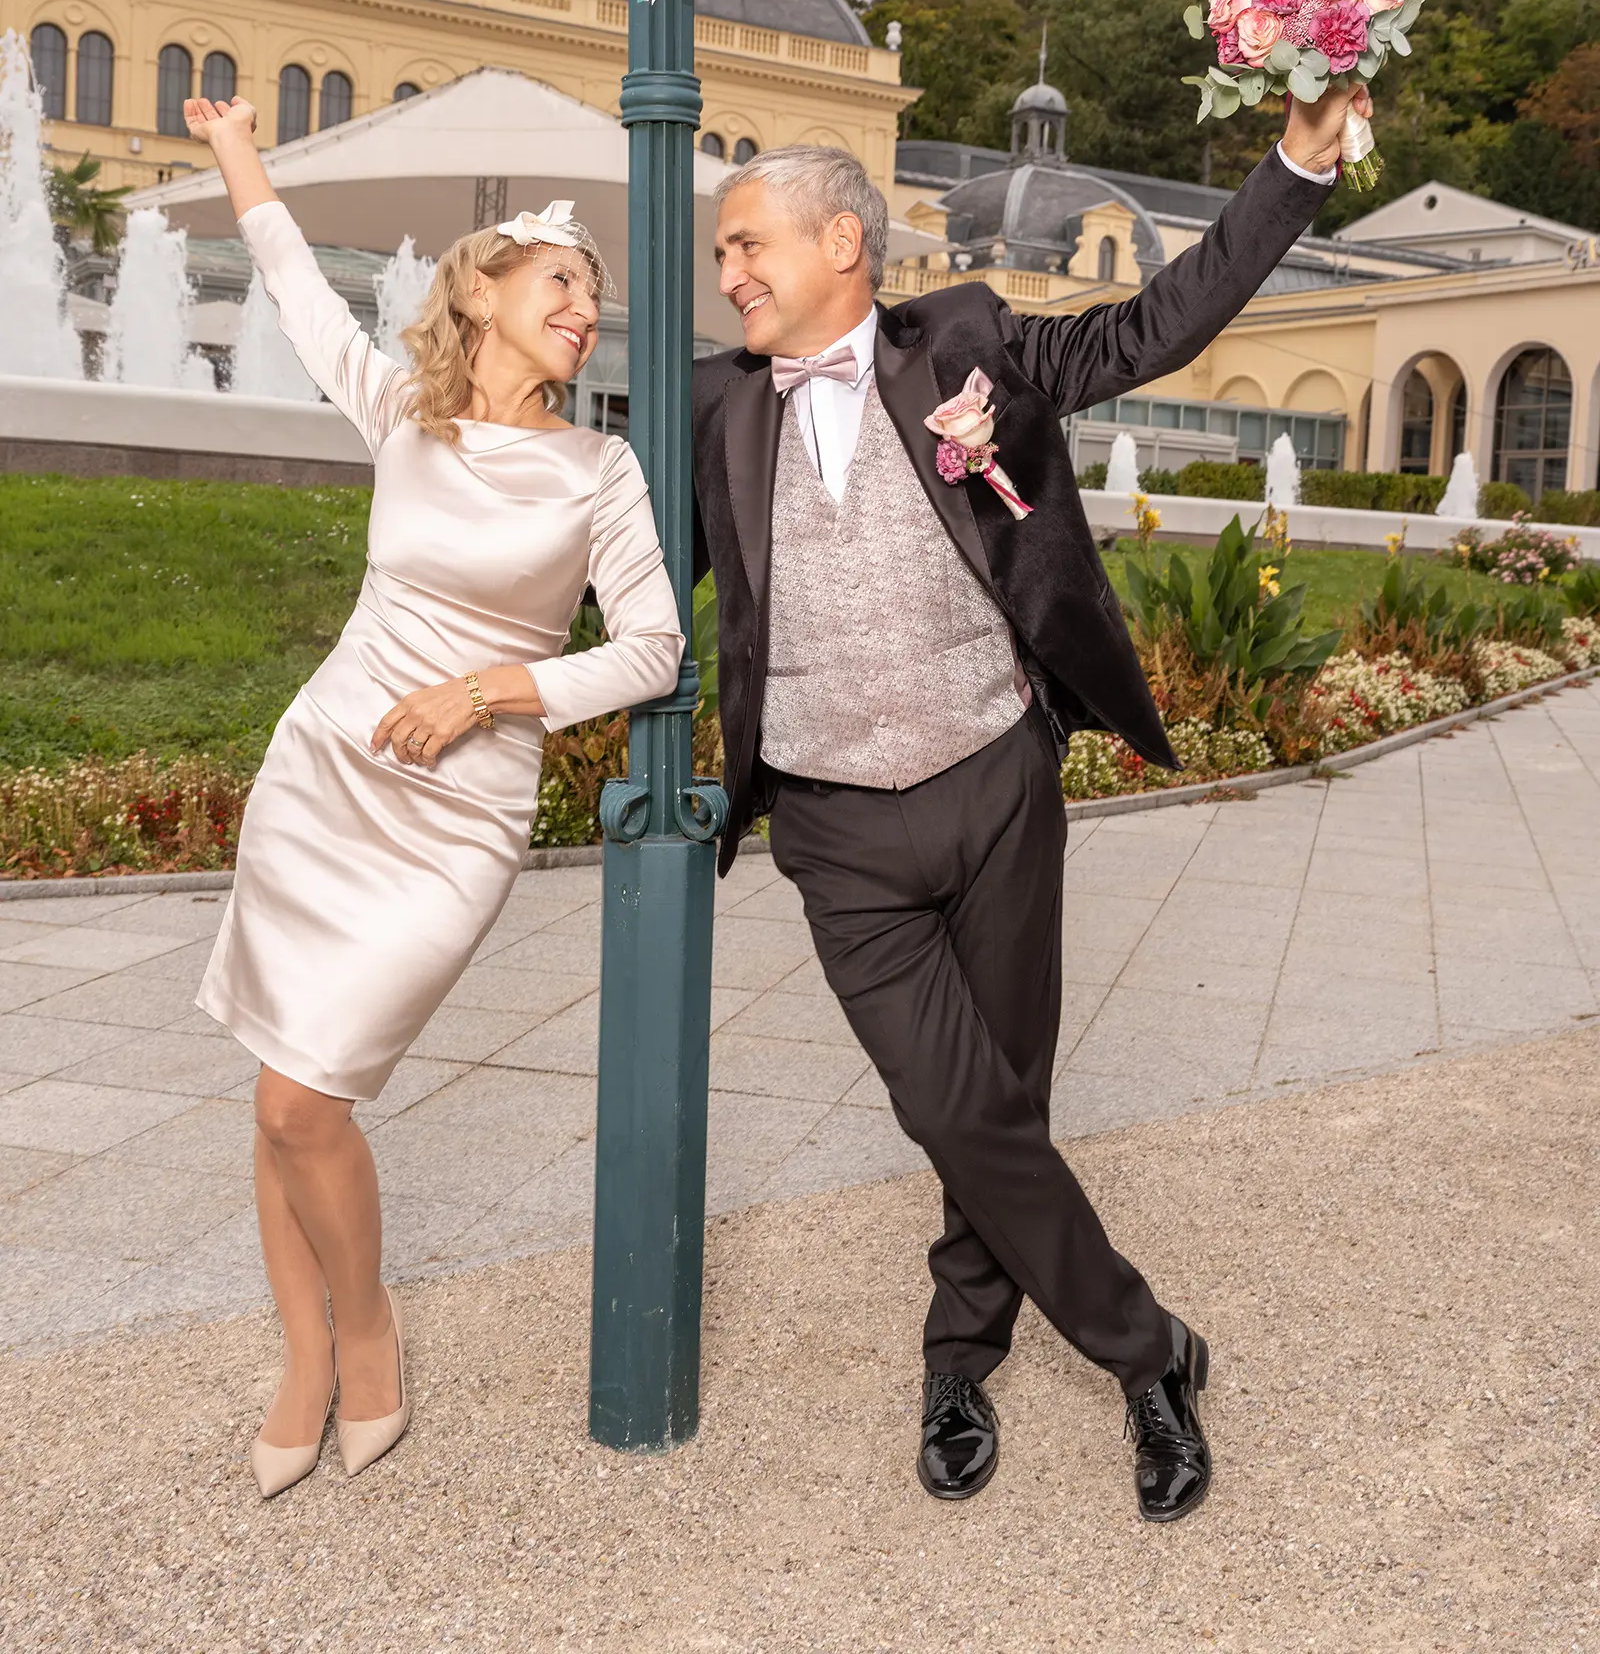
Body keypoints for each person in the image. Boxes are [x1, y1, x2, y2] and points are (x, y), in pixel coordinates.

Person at [692, 87, 1369, 1522]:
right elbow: (599, 556)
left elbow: (1152, 327)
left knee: (1005, 1098)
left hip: (995, 782)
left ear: (843, 243)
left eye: (747, 245)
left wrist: (1295, 166)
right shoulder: (711, 410)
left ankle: (958, 1357)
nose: (731, 273)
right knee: (949, 1106)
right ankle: (1147, 1353)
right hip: (832, 823)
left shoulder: (967, 342)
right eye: (721, 257)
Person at [181, 95, 684, 1498]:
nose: (587, 311)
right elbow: (288, 280)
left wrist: (492, 691)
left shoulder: (601, 472)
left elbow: (653, 651)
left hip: (458, 816)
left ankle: (373, 1326)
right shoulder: (402, 414)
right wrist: (234, 149)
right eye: (562, 285)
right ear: (486, 295)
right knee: (283, 1090)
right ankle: (308, 1352)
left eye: (591, 294)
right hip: (326, 771)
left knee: (309, 1091)